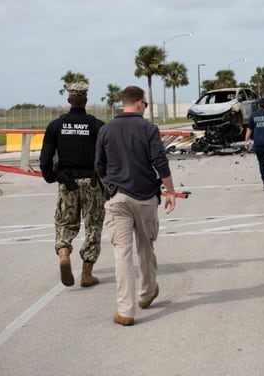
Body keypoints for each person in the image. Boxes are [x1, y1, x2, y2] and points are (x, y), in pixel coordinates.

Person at [95, 85, 176, 326]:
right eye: (146, 104)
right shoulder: (148, 129)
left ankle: (125, 311)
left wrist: (109, 185)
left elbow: (99, 165)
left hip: (116, 198)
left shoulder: (106, 129)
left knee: (122, 254)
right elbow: (159, 162)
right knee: (145, 248)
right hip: (144, 198)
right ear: (139, 102)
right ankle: (147, 292)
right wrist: (170, 191)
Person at [39, 81, 106, 288]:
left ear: (69, 100)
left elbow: (45, 158)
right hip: (92, 182)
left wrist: (50, 176)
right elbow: (106, 157)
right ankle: (87, 273)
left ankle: (64, 254)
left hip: (67, 182)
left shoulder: (56, 126)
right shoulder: (97, 126)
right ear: (85, 100)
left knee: (65, 222)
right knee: (93, 226)